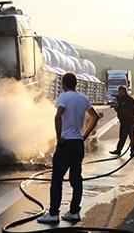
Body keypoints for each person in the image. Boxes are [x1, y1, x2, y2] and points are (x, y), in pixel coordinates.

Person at [37, 73, 100, 224]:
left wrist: (59, 137)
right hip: (78, 143)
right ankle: (74, 212)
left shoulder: (64, 97)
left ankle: (53, 214)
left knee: (57, 179)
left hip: (66, 144)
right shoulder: (83, 99)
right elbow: (95, 117)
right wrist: (84, 136)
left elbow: (58, 117)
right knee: (76, 179)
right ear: (76, 84)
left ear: (64, 84)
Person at [109, 86, 134, 157]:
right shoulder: (119, 100)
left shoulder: (129, 100)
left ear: (124, 92)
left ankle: (132, 151)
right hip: (123, 122)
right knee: (122, 136)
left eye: (120, 91)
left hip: (130, 121)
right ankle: (118, 150)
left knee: (131, 137)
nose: (118, 93)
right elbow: (119, 109)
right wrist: (117, 109)